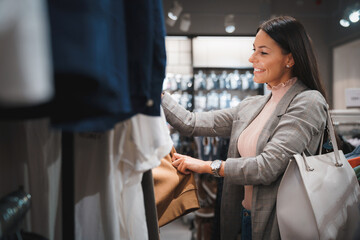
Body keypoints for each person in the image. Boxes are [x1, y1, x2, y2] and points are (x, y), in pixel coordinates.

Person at [161, 16, 329, 240]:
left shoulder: (308, 102)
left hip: (280, 225)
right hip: (245, 217)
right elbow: (190, 123)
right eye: (254, 50)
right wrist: (156, 91)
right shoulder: (254, 105)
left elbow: (266, 167)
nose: (252, 58)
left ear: (289, 59)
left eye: (263, 52)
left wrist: (206, 166)